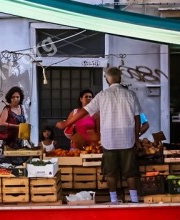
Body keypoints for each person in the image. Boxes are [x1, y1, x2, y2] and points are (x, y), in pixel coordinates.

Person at [57, 67, 141, 204]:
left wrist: (66, 123)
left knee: (110, 173)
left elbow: (84, 111)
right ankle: (134, 199)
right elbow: (137, 118)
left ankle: (114, 200)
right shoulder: (131, 95)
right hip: (127, 139)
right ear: (120, 78)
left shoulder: (102, 95)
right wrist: (136, 138)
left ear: (107, 80)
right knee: (130, 172)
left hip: (109, 140)